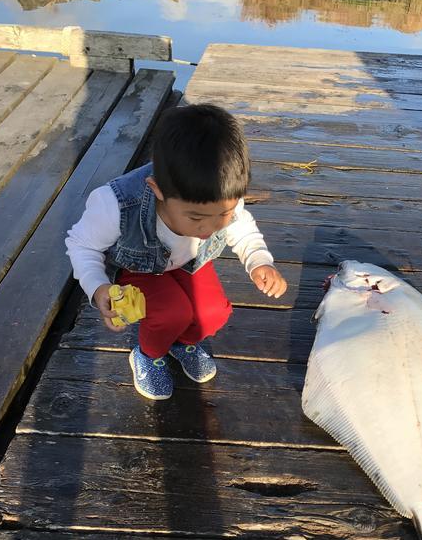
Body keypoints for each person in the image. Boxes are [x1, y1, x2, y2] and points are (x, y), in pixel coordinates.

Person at [65, 103, 287, 400]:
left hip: (190, 262)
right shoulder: (116, 204)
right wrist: (97, 287)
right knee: (171, 313)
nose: (210, 228)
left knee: (212, 313)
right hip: (139, 267)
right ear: (157, 190)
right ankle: (148, 354)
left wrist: (259, 260)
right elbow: (82, 244)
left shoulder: (223, 192)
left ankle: (182, 343)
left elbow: (243, 227)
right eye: (195, 218)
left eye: (224, 214)